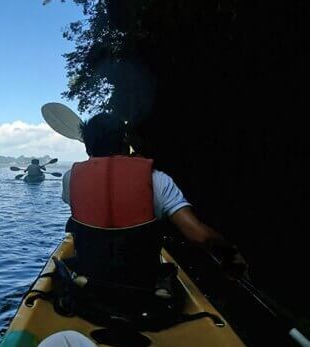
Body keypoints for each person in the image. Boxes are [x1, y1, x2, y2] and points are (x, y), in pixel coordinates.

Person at [61, 113, 247, 288]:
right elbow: (200, 236)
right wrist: (229, 251)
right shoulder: (157, 179)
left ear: (87, 147)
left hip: (91, 284)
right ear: (126, 140)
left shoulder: (70, 178)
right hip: (143, 286)